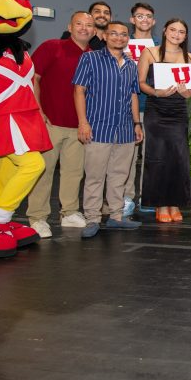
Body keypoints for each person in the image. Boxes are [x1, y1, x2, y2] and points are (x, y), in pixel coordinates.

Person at [24, 11, 94, 238]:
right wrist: (38, 112)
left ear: (94, 30)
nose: (84, 28)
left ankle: (70, 212)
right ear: (70, 26)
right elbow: (33, 78)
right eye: (79, 24)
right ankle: (37, 217)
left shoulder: (94, 56)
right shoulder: (52, 47)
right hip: (49, 123)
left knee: (74, 173)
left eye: (89, 25)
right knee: (43, 173)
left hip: (79, 127)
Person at [72, 21, 143, 238]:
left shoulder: (131, 65)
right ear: (104, 36)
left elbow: (133, 95)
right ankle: (92, 219)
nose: (119, 38)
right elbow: (79, 90)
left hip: (124, 130)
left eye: (123, 35)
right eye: (114, 34)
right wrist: (83, 122)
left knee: (119, 176)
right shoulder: (90, 59)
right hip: (98, 128)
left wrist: (136, 124)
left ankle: (116, 216)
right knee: (94, 176)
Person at [137, 19, 191, 223]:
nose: (176, 35)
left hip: (178, 112)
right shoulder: (150, 53)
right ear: (164, 31)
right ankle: (160, 204)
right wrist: (157, 92)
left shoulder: (190, 58)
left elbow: (189, 93)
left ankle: (175, 202)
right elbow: (141, 83)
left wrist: (184, 91)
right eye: (173, 30)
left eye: (181, 32)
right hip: (156, 110)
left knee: (179, 158)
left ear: (185, 36)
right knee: (158, 157)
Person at [123, 1, 156, 214]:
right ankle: (126, 198)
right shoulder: (121, 42)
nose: (144, 19)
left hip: (153, 105)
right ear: (132, 19)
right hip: (126, 106)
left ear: (153, 21)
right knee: (127, 155)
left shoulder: (161, 45)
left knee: (150, 155)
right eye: (139, 16)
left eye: (148, 16)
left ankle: (147, 196)